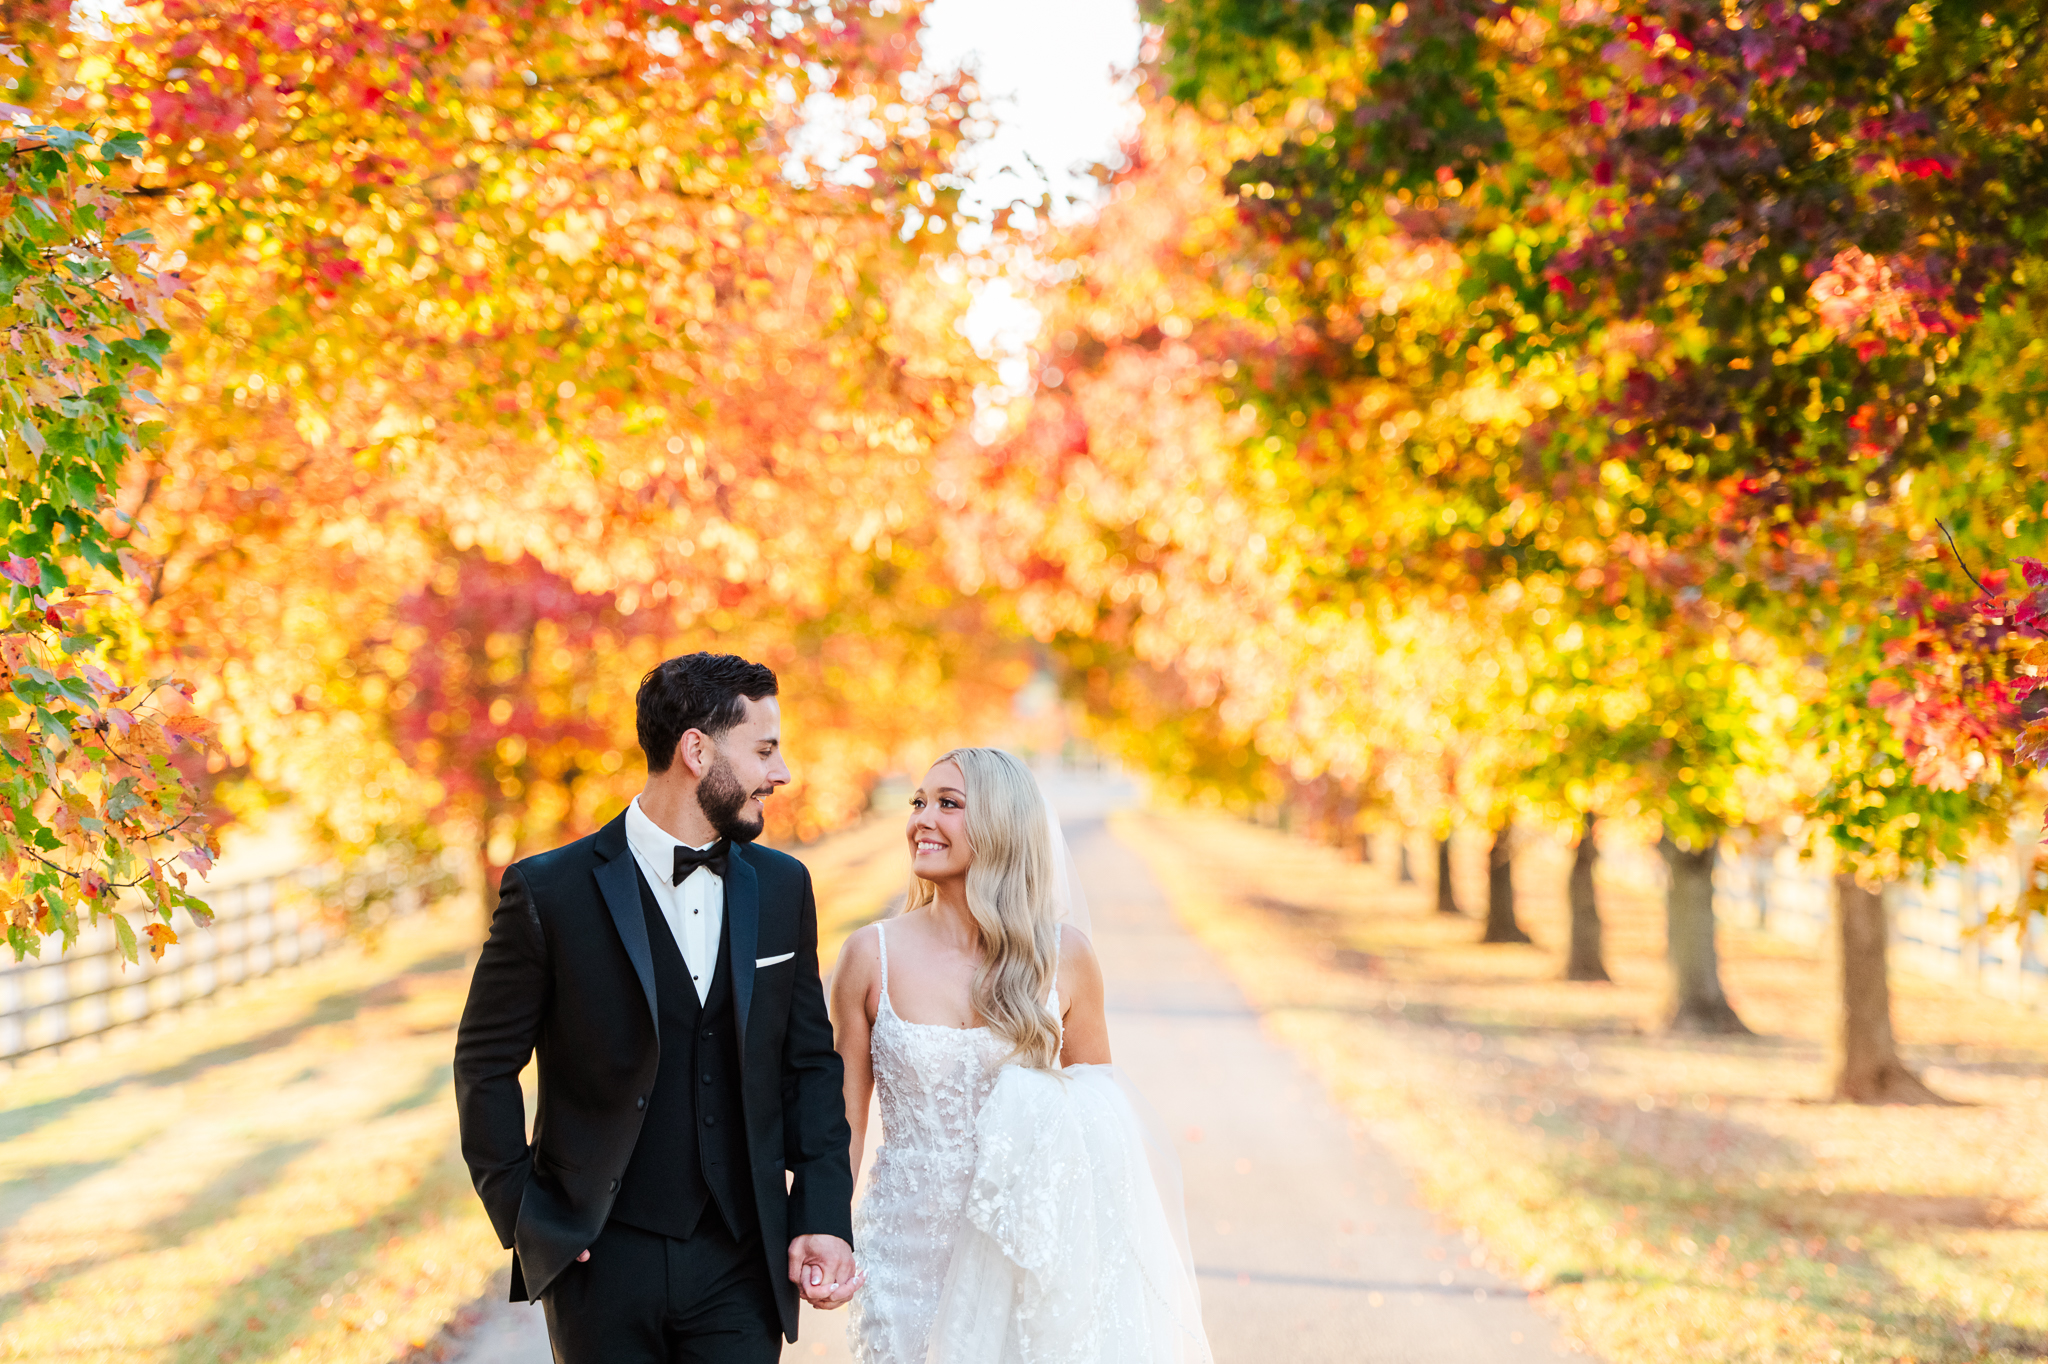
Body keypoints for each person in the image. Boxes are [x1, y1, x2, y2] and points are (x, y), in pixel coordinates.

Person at [454, 652, 858, 1364]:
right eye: (764, 751)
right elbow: (484, 1065)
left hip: (740, 1260)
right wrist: (526, 1215)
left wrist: (822, 1213)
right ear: (696, 751)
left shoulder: (784, 886)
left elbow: (809, 1065)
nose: (781, 774)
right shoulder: (549, 892)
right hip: (601, 1263)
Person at [830, 747, 1211, 1364]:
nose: (922, 819)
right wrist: (827, 1230)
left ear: (1003, 825)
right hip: (907, 1256)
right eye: (918, 802)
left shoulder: (1066, 959)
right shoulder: (869, 956)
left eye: (948, 804)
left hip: (1029, 1249)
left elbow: (1100, 1128)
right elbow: (843, 1124)